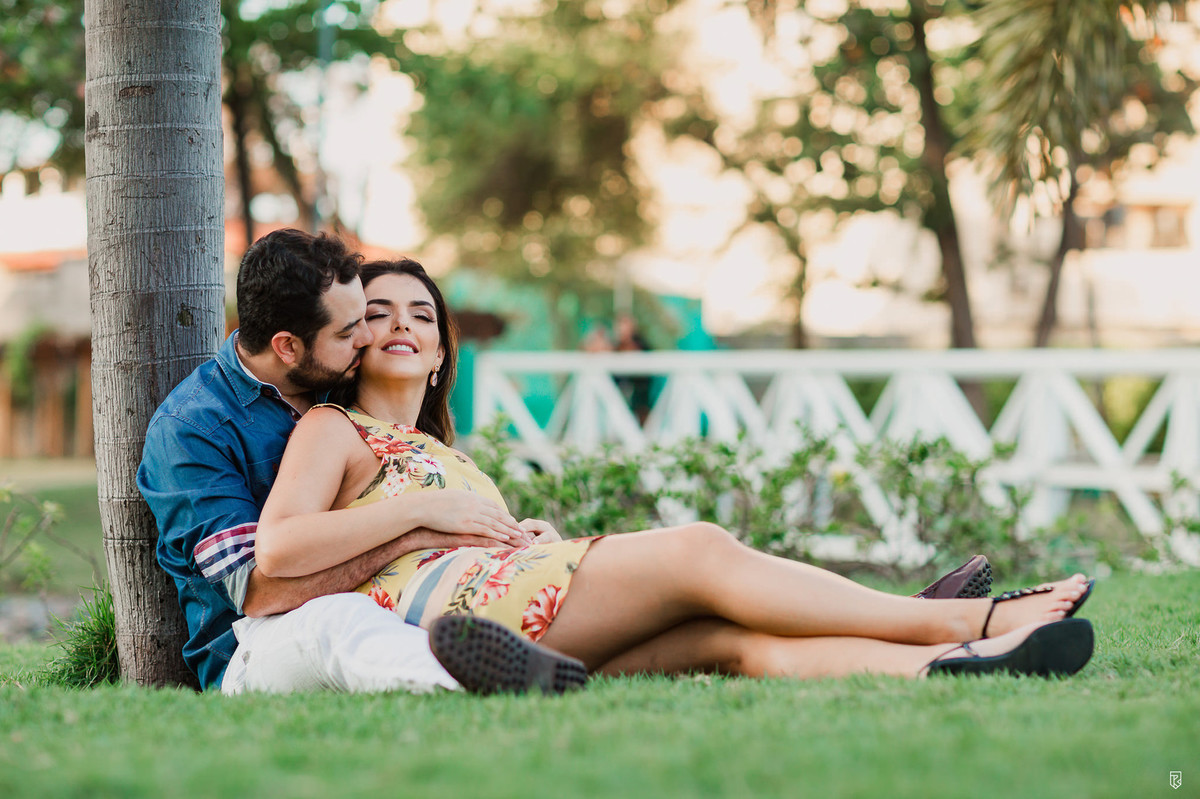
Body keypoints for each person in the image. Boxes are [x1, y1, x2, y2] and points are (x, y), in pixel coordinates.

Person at [256, 258, 1097, 683]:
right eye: (377, 313)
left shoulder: (453, 456)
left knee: (727, 642)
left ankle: (947, 665)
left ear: (442, 354)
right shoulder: (337, 427)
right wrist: (422, 513)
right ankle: (958, 620)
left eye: (421, 314)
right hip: (451, 617)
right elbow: (280, 548)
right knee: (697, 549)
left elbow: (464, 525)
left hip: (513, 598)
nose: (401, 323)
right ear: (354, 341)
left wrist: (522, 530)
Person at [138, 229, 585, 695]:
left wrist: (519, 547)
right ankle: (487, 681)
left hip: (388, 602)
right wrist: (418, 532)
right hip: (257, 643)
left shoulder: (338, 381)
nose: (370, 336)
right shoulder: (191, 431)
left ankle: (551, 659)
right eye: (352, 329)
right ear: (288, 346)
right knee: (341, 619)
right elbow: (258, 593)